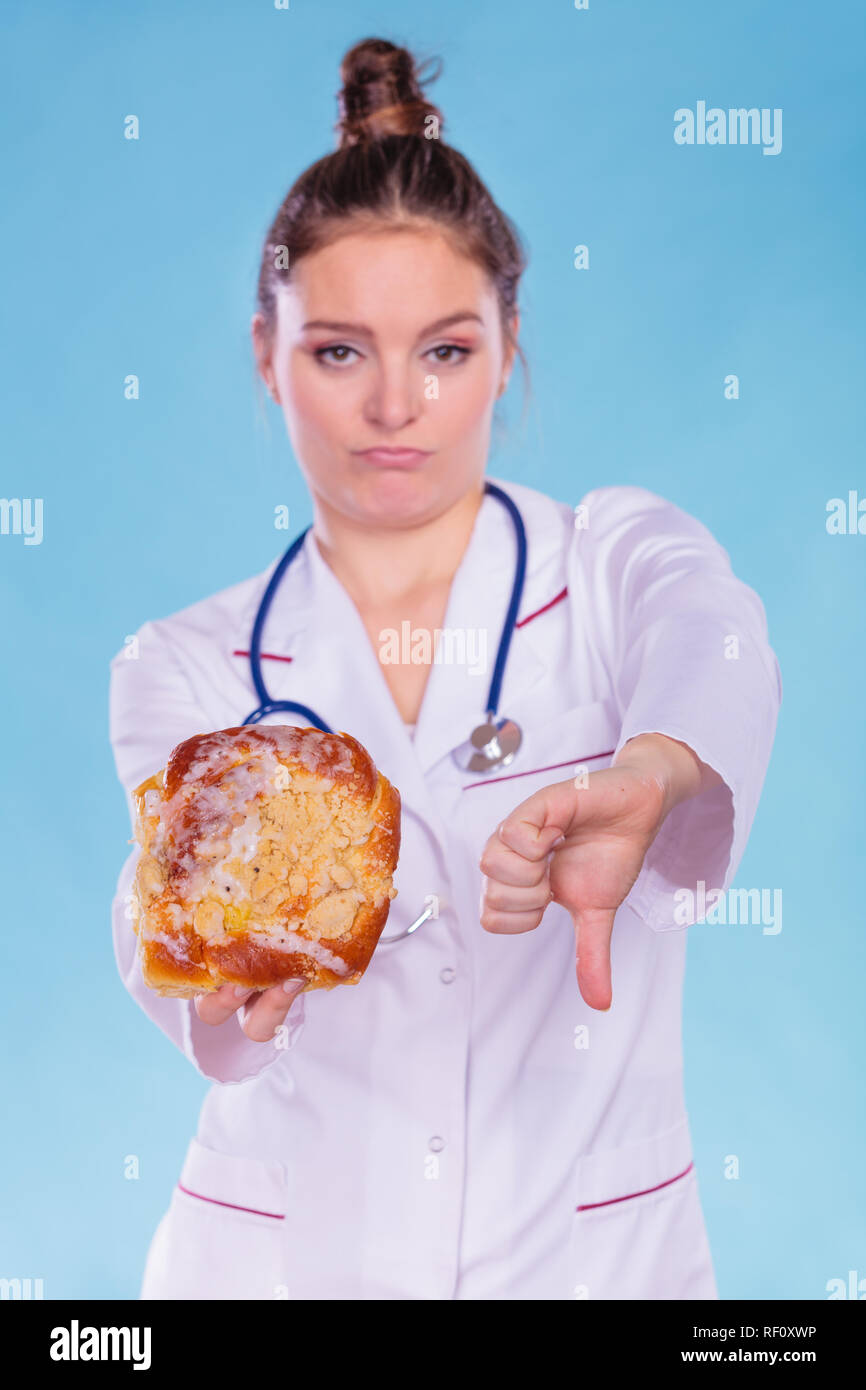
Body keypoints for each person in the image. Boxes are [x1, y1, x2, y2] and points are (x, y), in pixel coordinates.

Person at [109, 36, 781, 1301]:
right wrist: (218, 972)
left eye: (446, 349)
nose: (394, 408)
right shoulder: (186, 663)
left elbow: (716, 633)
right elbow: (164, 906)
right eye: (339, 350)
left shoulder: (610, 557)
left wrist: (646, 773)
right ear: (268, 352)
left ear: (508, 343)